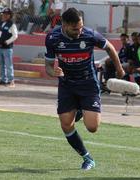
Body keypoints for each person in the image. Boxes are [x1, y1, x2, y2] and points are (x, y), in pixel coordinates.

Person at [44, 8, 124, 170]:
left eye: (81, 27)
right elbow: (48, 66)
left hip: (88, 84)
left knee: (92, 127)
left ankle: (80, 108)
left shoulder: (90, 35)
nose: (79, 31)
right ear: (64, 25)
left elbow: (110, 48)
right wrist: (54, 71)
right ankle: (87, 158)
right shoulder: (52, 38)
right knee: (66, 124)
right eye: (75, 28)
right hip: (67, 85)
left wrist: (119, 69)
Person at [0, 8, 18, 87]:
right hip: (0, 47)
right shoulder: (0, 23)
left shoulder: (12, 24)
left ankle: (11, 81)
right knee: (1, 64)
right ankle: (3, 80)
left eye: (6, 14)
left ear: (10, 15)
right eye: (3, 14)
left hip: (7, 48)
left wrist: (7, 42)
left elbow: (15, 36)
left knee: (8, 65)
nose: (4, 15)